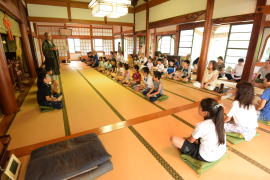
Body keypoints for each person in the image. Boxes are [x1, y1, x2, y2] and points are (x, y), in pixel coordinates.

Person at [171, 98, 226, 162]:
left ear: (205, 112)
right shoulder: (220, 121)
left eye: (199, 107)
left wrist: (185, 140)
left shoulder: (202, 125)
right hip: (220, 152)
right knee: (195, 138)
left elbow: (190, 141)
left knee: (174, 139)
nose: (198, 108)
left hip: (207, 156)